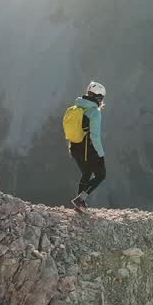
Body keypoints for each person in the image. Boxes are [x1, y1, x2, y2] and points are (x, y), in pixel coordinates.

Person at [63, 81, 106, 212]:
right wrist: (100, 154)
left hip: (74, 147)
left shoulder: (75, 108)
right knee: (100, 175)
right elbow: (95, 137)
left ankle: (79, 206)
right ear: (98, 97)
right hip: (88, 149)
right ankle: (80, 200)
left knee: (86, 173)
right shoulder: (94, 112)